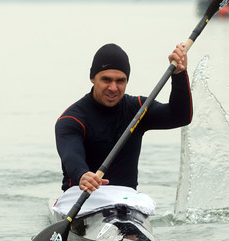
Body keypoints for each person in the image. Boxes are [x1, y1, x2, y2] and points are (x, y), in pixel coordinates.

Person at [55, 42, 193, 193]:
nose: (113, 88)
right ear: (93, 78)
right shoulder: (71, 120)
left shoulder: (139, 109)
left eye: (120, 80)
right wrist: (82, 174)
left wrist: (179, 75)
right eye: (106, 80)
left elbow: (180, 116)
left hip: (125, 200)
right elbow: (71, 155)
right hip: (80, 195)